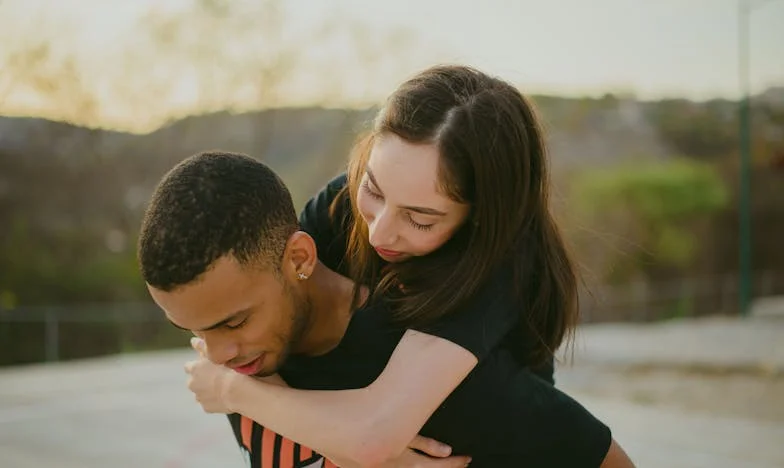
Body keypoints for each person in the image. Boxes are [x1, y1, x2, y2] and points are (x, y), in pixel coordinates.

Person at [139, 150, 634, 466]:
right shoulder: (251, 365)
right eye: (195, 331)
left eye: (234, 322)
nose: (216, 355)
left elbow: (605, 459)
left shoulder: (434, 373)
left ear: (300, 259)